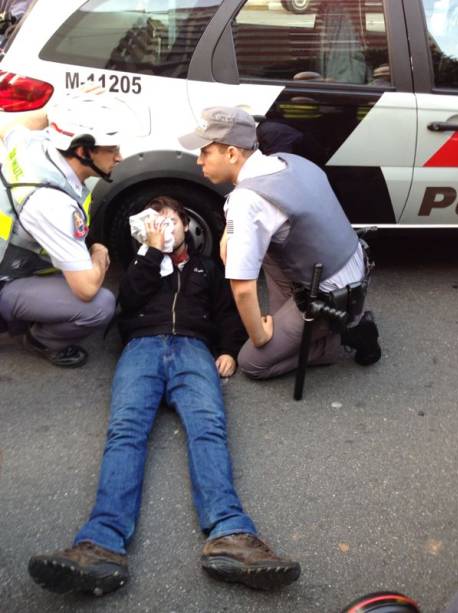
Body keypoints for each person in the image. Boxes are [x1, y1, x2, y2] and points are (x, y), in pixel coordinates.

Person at [27, 196, 301, 596]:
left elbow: (227, 312)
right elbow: (128, 304)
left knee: (208, 430)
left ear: (186, 227)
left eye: (170, 221)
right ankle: (101, 543)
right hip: (141, 349)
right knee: (125, 433)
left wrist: (227, 348)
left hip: (194, 349)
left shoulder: (208, 267)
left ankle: (232, 534)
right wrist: (152, 253)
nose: (164, 227)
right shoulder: (143, 264)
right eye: (156, 222)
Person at [179, 106, 381, 380]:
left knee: (252, 361)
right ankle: (302, 329)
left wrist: (260, 337)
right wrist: (232, 228)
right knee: (264, 249)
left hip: (334, 299)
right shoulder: (285, 161)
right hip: (350, 267)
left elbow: (242, 289)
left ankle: (342, 338)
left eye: (205, 152)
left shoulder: (248, 201)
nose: (199, 161)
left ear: (231, 153)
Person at [0, 92, 131, 367]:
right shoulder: (52, 205)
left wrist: (59, 111)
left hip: (10, 256)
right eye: (112, 149)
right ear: (83, 151)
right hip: (6, 279)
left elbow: (9, 127)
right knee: (100, 304)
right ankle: (40, 339)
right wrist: (98, 252)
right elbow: (85, 289)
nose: (119, 157)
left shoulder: (33, 144)